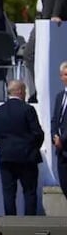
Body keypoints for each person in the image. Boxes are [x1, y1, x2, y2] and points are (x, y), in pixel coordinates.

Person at [0, 80, 45, 216]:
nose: (25, 94)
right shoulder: (28, 109)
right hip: (27, 157)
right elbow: (37, 133)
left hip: (7, 157)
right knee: (29, 192)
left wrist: (5, 146)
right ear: (19, 91)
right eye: (24, 91)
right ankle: (30, 221)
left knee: (8, 193)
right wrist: (32, 148)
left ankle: (11, 221)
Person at [24, 0, 67, 102]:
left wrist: (56, 14)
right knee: (30, 55)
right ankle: (35, 91)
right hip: (41, 19)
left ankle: (36, 92)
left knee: (30, 54)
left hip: (47, 21)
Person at [50, 60, 67, 192]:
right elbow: (55, 119)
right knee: (64, 184)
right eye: (65, 75)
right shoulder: (59, 96)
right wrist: (55, 136)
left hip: (64, 143)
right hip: (61, 150)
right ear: (61, 77)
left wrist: (63, 139)